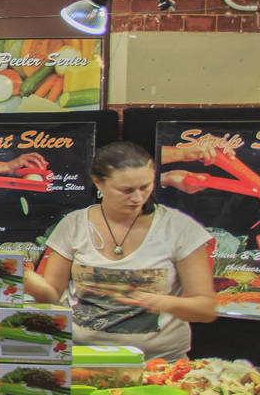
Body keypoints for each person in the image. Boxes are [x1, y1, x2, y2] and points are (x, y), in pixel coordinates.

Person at [23, 140, 216, 360]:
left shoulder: (179, 228)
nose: (138, 198)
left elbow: (205, 309)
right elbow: (51, 297)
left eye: (145, 187)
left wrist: (162, 302)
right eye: (126, 190)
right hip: (81, 358)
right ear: (98, 183)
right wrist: (27, 281)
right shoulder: (73, 224)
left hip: (159, 363)